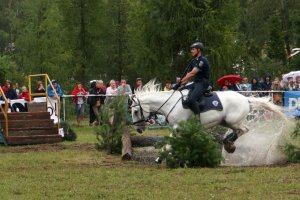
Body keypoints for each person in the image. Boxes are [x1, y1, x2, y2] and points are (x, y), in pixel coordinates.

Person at [173, 42, 210, 115]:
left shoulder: (202, 60)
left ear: (198, 50)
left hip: (203, 83)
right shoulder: (193, 62)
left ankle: (198, 121)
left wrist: (179, 83)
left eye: (193, 49)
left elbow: (192, 73)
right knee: (181, 90)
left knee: (192, 99)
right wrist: (178, 86)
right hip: (196, 82)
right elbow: (187, 77)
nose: (191, 51)